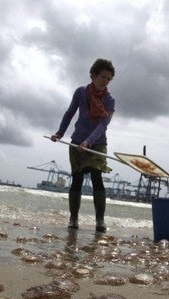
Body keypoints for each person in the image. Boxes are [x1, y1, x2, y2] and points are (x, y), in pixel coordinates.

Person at [51, 58, 115, 232]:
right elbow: (70, 112)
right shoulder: (81, 92)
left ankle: (100, 221)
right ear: (93, 75)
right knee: (77, 179)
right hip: (77, 140)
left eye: (109, 79)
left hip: (98, 143)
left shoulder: (109, 100)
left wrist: (89, 141)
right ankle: (73, 219)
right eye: (102, 77)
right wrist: (60, 133)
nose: (105, 81)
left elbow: (103, 125)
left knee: (96, 178)